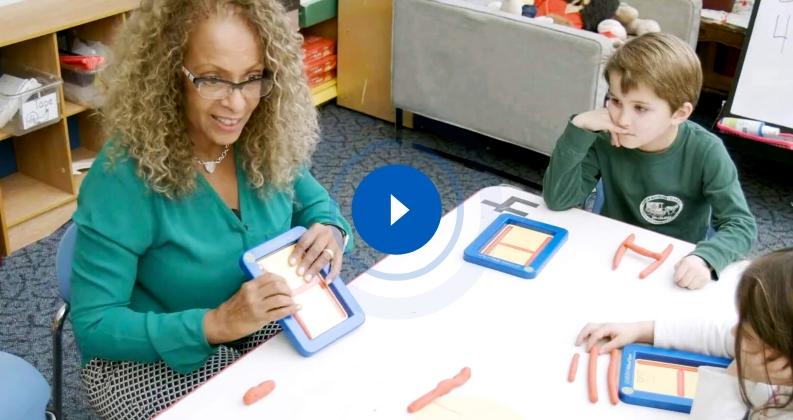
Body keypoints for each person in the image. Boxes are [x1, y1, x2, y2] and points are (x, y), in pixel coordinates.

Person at [69, 1, 352, 418]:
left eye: (252, 79)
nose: (236, 105)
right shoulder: (123, 177)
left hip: (260, 329)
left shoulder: (264, 135)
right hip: (154, 360)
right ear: (170, 76)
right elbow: (93, 326)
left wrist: (330, 230)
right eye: (213, 79)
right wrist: (216, 324)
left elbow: (318, 206)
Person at [542, 32, 756, 290]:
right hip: (611, 250)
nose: (622, 119)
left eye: (640, 108)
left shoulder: (707, 151)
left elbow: (741, 225)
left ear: (679, 113)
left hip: (677, 264)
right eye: (615, 101)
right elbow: (557, 199)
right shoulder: (604, 139)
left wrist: (706, 258)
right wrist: (578, 129)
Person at [576, 248, 793, 419]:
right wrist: (641, 330)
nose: (734, 332)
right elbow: (716, 335)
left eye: (749, 336)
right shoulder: (772, 346)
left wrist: (733, 377)